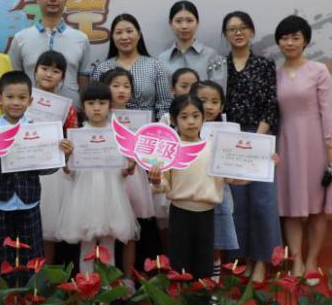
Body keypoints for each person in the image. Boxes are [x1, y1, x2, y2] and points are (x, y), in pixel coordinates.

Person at [0, 71, 72, 282]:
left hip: (29, 202)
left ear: (30, 101)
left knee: (32, 256)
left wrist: (63, 156)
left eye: (22, 98)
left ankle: (31, 298)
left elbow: (45, 169)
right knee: (1, 256)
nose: (15, 102)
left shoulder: (37, 131)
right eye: (10, 97)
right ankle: (4, 297)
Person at [274, 15, 332, 276]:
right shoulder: (275, 74)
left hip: (316, 142)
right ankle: (295, 261)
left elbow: (328, 110)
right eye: (284, 38)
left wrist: (331, 146)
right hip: (286, 143)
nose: (289, 43)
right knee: (291, 208)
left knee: (317, 207)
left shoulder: (319, 70)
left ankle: (312, 261)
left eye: (295, 37)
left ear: (305, 40)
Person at [221, 11, 282, 283]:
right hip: (229, 140)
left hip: (260, 136)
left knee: (262, 201)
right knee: (235, 203)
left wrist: (256, 141)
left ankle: (262, 260)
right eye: (232, 29)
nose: (238, 32)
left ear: (252, 32)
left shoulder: (264, 65)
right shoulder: (219, 66)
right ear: (225, 35)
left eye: (243, 27)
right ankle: (240, 259)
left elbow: (271, 104)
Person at [56, 82, 139, 275]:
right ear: (83, 106)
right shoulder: (76, 136)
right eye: (91, 103)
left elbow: (123, 171)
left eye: (102, 103)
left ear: (110, 105)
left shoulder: (118, 135)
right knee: (87, 244)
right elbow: (68, 172)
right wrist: (66, 158)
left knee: (109, 242)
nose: (96, 108)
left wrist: (129, 168)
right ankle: (86, 285)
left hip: (111, 195)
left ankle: (107, 287)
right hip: (85, 196)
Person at [153, 92, 223, 280]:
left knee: (204, 260)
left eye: (195, 116)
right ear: (173, 120)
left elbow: (235, 178)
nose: (191, 121)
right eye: (184, 117)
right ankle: (180, 296)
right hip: (179, 213)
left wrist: (264, 163)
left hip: (207, 213)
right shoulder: (169, 149)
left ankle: (202, 295)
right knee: (179, 261)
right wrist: (156, 180)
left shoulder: (213, 147)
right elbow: (162, 184)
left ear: (203, 118)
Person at [103, 67, 160, 274]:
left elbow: (148, 150)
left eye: (126, 86)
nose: (121, 90)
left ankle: (128, 277)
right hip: (108, 178)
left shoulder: (140, 119)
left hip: (133, 177)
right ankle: (106, 277)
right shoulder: (100, 116)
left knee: (131, 229)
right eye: (116, 85)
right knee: (107, 228)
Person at [8, 0, 92, 105]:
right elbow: (16, 81)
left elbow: (83, 82)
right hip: (30, 112)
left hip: (71, 112)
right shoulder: (20, 38)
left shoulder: (81, 39)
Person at [32, 51, 79, 261]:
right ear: (35, 71)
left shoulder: (68, 107)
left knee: (48, 226)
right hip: (23, 165)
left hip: (53, 172)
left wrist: (68, 147)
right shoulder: (22, 98)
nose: (49, 74)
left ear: (62, 77)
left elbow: (72, 137)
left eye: (56, 71)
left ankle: (45, 273)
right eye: (44, 68)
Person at [91, 13, 172, 120]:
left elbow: (164, 104)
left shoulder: (154, 65)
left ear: (139, 34)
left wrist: (161, 124)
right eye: (119, 32)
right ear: (112, 37)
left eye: (129, 31)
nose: (124, 37)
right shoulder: (102, 68)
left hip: (147, 126)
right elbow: (94, 101)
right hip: (112, 124)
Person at [193, 80, 240, 263]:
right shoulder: (185, 129)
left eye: (215, 102)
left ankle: (214, 277)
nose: (209, 106)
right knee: (193, 238)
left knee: (216, 238)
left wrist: (264, 162)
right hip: (191, 192)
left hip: (218, 191)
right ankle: (191, 278)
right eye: (202, 100)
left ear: (221, 106)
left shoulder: (229, 131)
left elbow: (236, 171)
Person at [157, 0, 227, 86]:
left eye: (189, 21)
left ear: (197, 22)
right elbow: (162, 91)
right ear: (170, 23)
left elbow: (219, 90)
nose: (184, 26)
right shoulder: (163, 59)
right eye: (178, 21)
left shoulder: (212, 56)